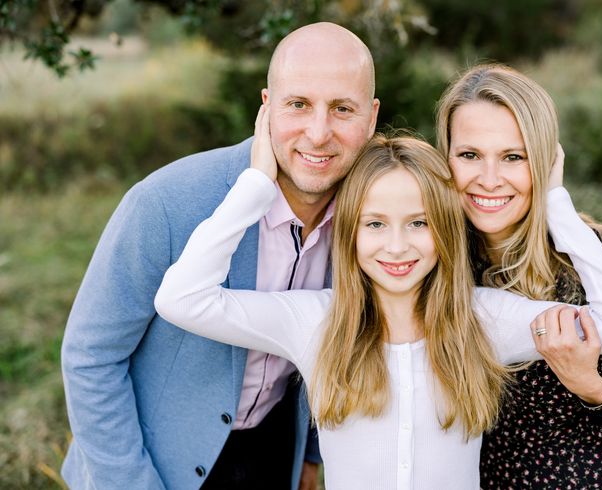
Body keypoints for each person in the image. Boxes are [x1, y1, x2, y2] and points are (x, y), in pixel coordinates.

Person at [154, 117, 602, 489]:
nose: (397, 247)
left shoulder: (483, 319)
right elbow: (182, 299)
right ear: (348, 234)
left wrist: (556, 210)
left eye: (418, 224)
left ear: (444, 231)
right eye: (375, 224)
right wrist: (256, 187)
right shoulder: (313, 319)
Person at [60, 22, 379, 490]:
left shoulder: (373, 218)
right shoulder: (166, 203)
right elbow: (90, 358)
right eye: (298, 105)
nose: (318, 133)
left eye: (342, 109)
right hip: (152, 463)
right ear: (266, 107)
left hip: (273, 453)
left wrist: (309, 455)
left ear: (370, 119)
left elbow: (342, 340)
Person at [435, 63, 602, 489]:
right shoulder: (436, 259)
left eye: (514, 157)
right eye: (470, 155)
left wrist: (592, 387)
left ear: (546, 160)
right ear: (445, 158)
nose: (490, 179)